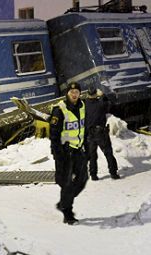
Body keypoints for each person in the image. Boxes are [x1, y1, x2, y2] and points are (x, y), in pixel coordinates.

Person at [49, 81, 88, 225]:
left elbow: (84, 128)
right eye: (72, 92)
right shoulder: (60, 109)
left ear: (79, 93)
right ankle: (67, 213)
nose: (74, 94)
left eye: (77, 92)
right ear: (67, 93)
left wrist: (87, 147)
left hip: (78, 150)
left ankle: (63, 202)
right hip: (65, 152)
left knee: (82, 180)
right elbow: (54, 135)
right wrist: (58, 154)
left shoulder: (82, 106)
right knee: (66, 183)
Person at [84, 87, 120, 181]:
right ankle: (113, 173)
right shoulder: (101, 103)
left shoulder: (85, 104)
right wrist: (103, 95)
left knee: (92, 155)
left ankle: (93, 175)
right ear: (96, 94)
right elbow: (110, 104)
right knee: (108, 153)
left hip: (90, 134)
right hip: (101, 133)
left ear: (87, 95)